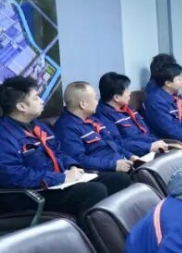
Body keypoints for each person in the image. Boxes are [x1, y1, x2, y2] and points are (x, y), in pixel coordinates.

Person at [0, 76, 108, 222]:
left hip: (56, 183)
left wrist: (72, 166)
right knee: (94, 191)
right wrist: (61, 178)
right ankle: (86, 233)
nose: (41, 101)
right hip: (30, 195)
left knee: (115, 179)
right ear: (21, 107)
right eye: (36, 98)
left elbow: (58, 152)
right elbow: (15, 175)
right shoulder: (4, 136)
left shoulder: (39, 126)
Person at [52, 82, 136, 196]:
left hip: (118, 163)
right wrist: (113, 165)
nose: (98, 102)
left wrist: (130, 155)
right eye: (95, 98)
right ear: (83, 104)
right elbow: (79, 159)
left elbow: (112, 142)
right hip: (99, 171)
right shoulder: (66, 128)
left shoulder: (93, 120)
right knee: (122, 179)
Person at [95, 72, 170, 157]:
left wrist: (156, 142)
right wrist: (148, 146)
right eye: (127, 91)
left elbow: (147, 130)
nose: (129, 93)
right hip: (138, 154)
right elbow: (118, 143)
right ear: (116, 98)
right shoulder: (103, 116)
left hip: (151, 146)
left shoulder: (127, 108)